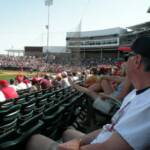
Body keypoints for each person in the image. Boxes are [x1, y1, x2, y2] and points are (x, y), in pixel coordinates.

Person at [25, 36, 150, 150]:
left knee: (35, 140)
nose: (124, 62)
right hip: (105, 139)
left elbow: (108, 148)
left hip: (104, 145)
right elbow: (111, 127)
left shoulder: (146, 105)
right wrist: (79, 141)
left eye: (127, 56)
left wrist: (77, 147)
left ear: (137, 60)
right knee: (67, 133)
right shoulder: (135, 94)